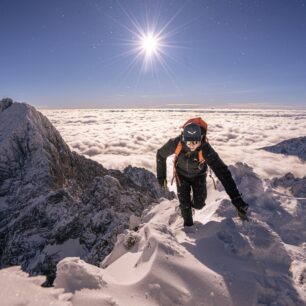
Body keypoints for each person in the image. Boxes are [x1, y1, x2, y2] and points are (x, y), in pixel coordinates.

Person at [156, 117, 249, 226]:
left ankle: (190, 206)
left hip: (198, 176)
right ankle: (187, 222)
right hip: (181, 176)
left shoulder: (205, 148)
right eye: (188, 142)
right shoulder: (176, 143)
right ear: (183, 137)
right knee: (186, 209)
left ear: (201, 138)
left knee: (199, 204)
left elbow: (222, 172)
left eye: (195, 142)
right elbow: (160, 154)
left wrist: (236, 199)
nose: (191, 146)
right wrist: (161, 177)